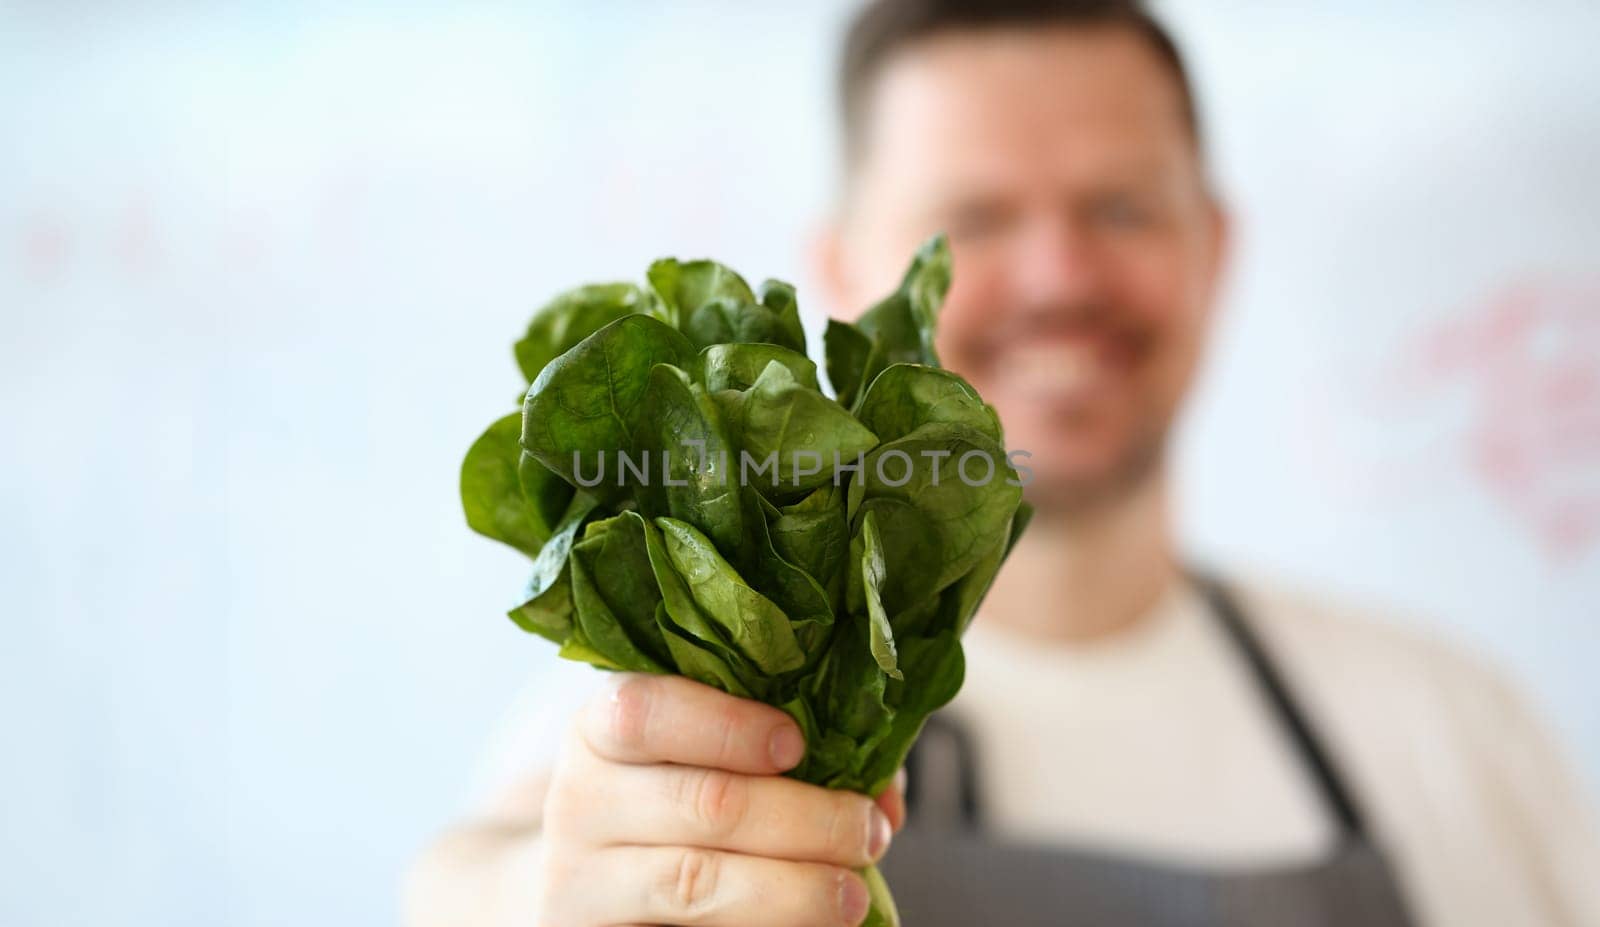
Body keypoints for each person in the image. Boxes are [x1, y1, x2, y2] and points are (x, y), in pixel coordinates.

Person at [404, 1, 1600, 924]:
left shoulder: (1455, 733)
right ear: (841, 269)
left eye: (1121, 209)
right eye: (970, 222)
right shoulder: (666, 729)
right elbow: (483, 877)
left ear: (1213, 247)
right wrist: (540, 894)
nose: (1059, 279)